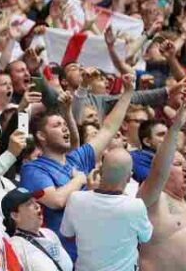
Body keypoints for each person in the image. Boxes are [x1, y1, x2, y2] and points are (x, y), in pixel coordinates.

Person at [19, 75, 133, 259]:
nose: (64, 129)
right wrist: (80, 180)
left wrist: (127, 92)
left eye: (65, 125)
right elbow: (56, 200)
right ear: (41, 135)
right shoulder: (33, 169)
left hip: (92, 255)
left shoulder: (76, 159)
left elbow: (108, 128)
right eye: (57, 125)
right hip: (61, 257)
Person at [60, 147, 153, 270]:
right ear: (129, 177)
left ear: (99, 171)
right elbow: (146, 237)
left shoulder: (75, 199)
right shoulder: (135, 206)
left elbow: (67, 233)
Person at [136, 102, 186, 271]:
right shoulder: (153, 200)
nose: (185, 168)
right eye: (177, 164)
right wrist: (175, 129)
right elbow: (158, 171)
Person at [1, 188, 73, 271]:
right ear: (15, 215)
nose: (37, 206)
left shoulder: (49, 233)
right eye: (29, 204)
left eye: (36, 201)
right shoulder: (14, 246)